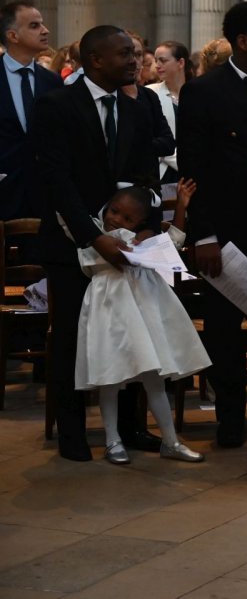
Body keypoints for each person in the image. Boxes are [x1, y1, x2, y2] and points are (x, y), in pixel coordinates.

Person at [33, 25, 162, 461]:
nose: (134, 60)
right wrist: (94, 238)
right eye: (125, 53)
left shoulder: (140, 105)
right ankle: (72, 432)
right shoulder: (56, 105)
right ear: (96, 60)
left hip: (127, 245)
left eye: (135, 52)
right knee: (71, 336)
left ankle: (130, 427)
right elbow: (56, 180)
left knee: (130, 332)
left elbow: (147, 174)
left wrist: (147, 229)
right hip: (72, 244)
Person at [176, 0, 247, 448]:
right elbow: (194, 168)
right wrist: (204, 235)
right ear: (242, 41)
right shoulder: (205, 91)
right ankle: (230, 418)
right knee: (223, 331)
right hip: (226, 229)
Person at [77, 182, 208, 464]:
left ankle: (170, 441)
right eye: (114, 211)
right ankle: (112, 440)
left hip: (142, 315)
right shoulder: (93, 234)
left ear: (138, 222)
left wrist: (181, 206)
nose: (116, 220)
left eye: (127, 219)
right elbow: (90, 257)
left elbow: (173, 242)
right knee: (109, 378)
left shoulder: (142, 241)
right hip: (108, 311)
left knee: (154, 378)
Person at [0, 0, 63, 220]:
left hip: (45, 194)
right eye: (34, 26)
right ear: (13, 36)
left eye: (42, 24)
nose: (45, 30)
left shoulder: (52, 81)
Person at [147, 40, 190, 181]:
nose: (157, 66)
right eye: (156, 60)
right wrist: (181, 163)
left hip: (196, 169)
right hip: (162, 170)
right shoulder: (150, 92)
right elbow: (153, 136)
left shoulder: (198, 92)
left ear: (181, 63)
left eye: (163, 60)